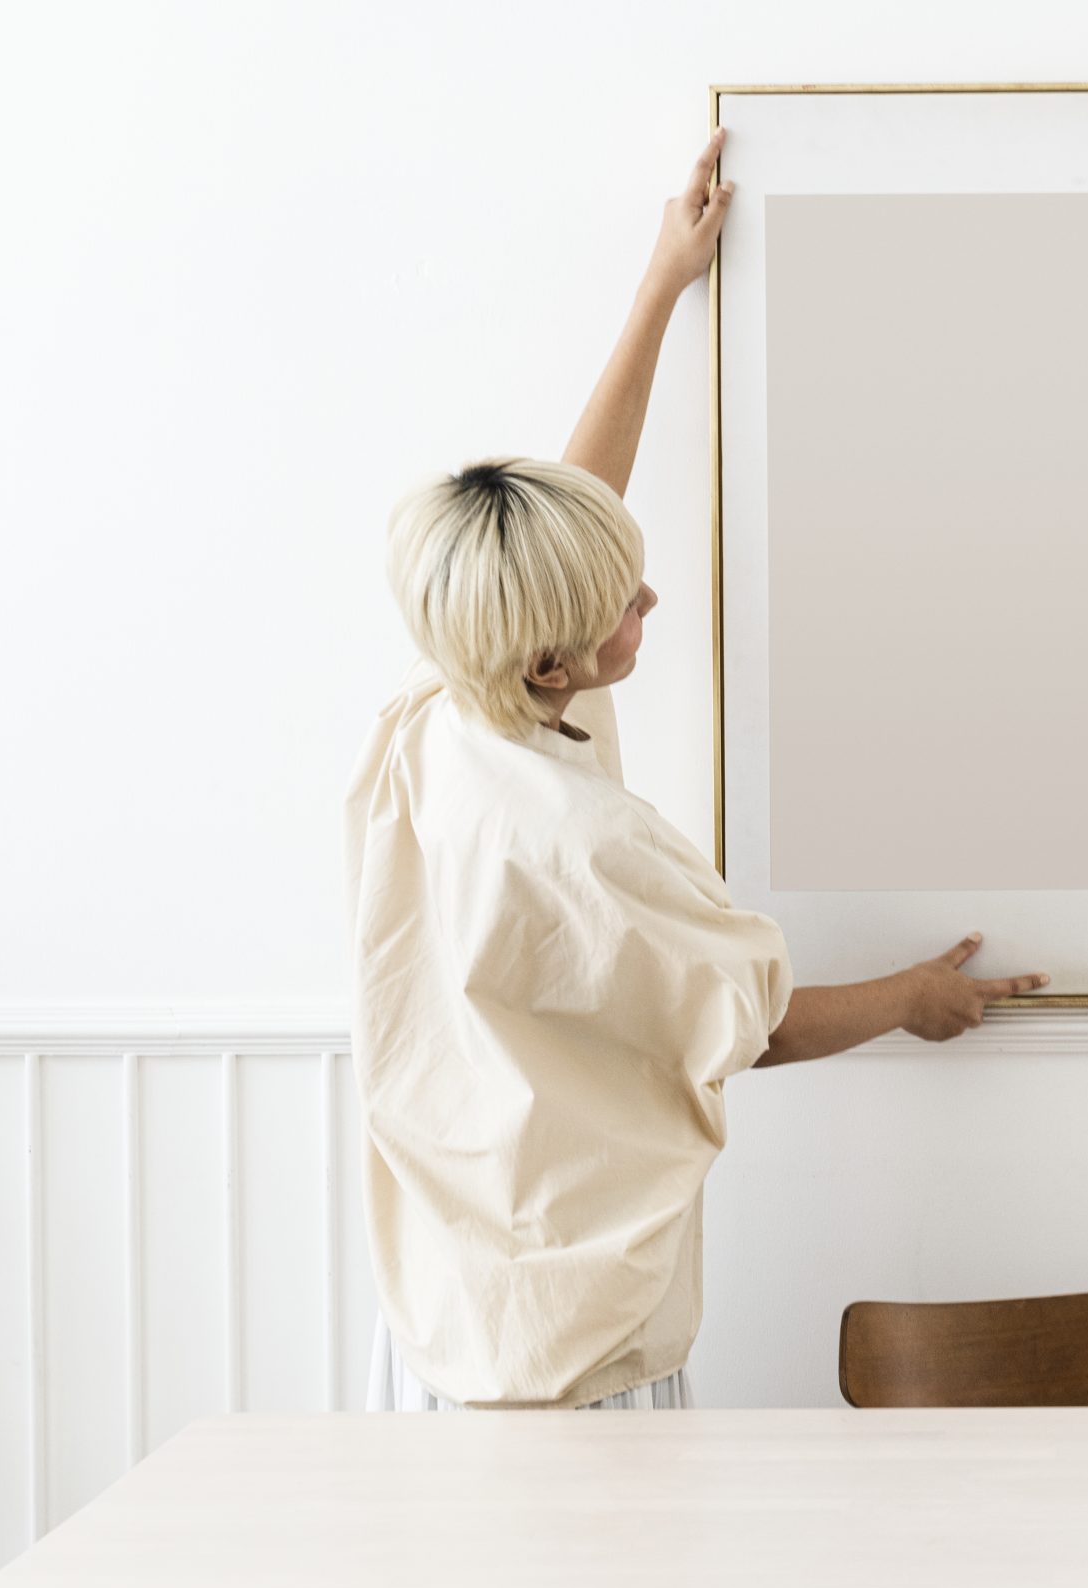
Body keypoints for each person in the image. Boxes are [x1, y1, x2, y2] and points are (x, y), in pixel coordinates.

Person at [346, 129, 1047, 1412]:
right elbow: (754, 1022)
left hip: (449, 1308)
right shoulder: (578, 843)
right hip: (563, 1359)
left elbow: (570, 511)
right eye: (624, 605)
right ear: (553, 661)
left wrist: (660, 286)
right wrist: (910, 1000)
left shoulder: (449, 717)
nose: (652, 599)